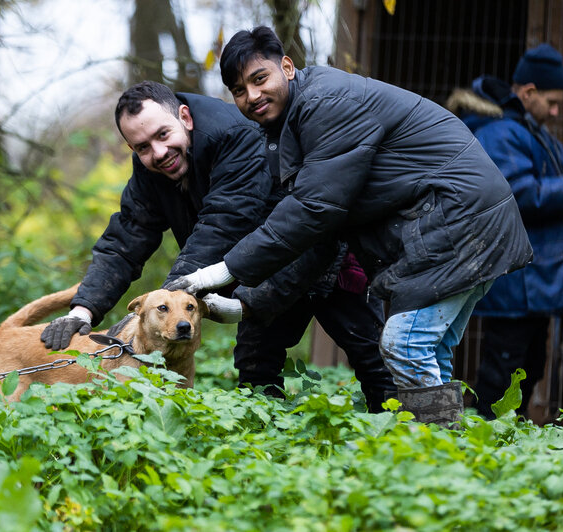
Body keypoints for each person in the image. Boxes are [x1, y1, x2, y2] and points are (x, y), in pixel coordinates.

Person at [166, 26, 533, 426]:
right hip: (459, 221)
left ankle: (439, 455)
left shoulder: (327, 103)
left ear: (286, 67)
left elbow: (311, 211)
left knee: (403, 345)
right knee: (427, 350)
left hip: (461, 220)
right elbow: (318, 238)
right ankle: (447, 453)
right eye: (239, 90)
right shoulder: (287, 129)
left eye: (260, 79)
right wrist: (247, 305)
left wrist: (223, 271)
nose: (252, 96)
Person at [40, 80, 396, 410]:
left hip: (318, 257)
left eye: (163, 134)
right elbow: (125, 240)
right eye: (143, 147)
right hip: (259, 272)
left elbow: (223, 223)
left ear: (184, 117)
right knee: (256, 366)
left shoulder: (233, 135)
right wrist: (82, 310)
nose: (158, 152)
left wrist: (168, 301)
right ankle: (265, 457)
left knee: (373, 357)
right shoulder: (150, 171)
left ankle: (411, 441)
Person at [446, 44, 563, 419]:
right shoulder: (502, 131)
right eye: (551, 101)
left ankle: (501, 444)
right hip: (515, 278)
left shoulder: (527, 129)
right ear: (528, 91)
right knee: (503, 372)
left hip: (530, 279)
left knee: (525, 366)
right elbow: (519, 193)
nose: (555, 110)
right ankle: (482, 443)